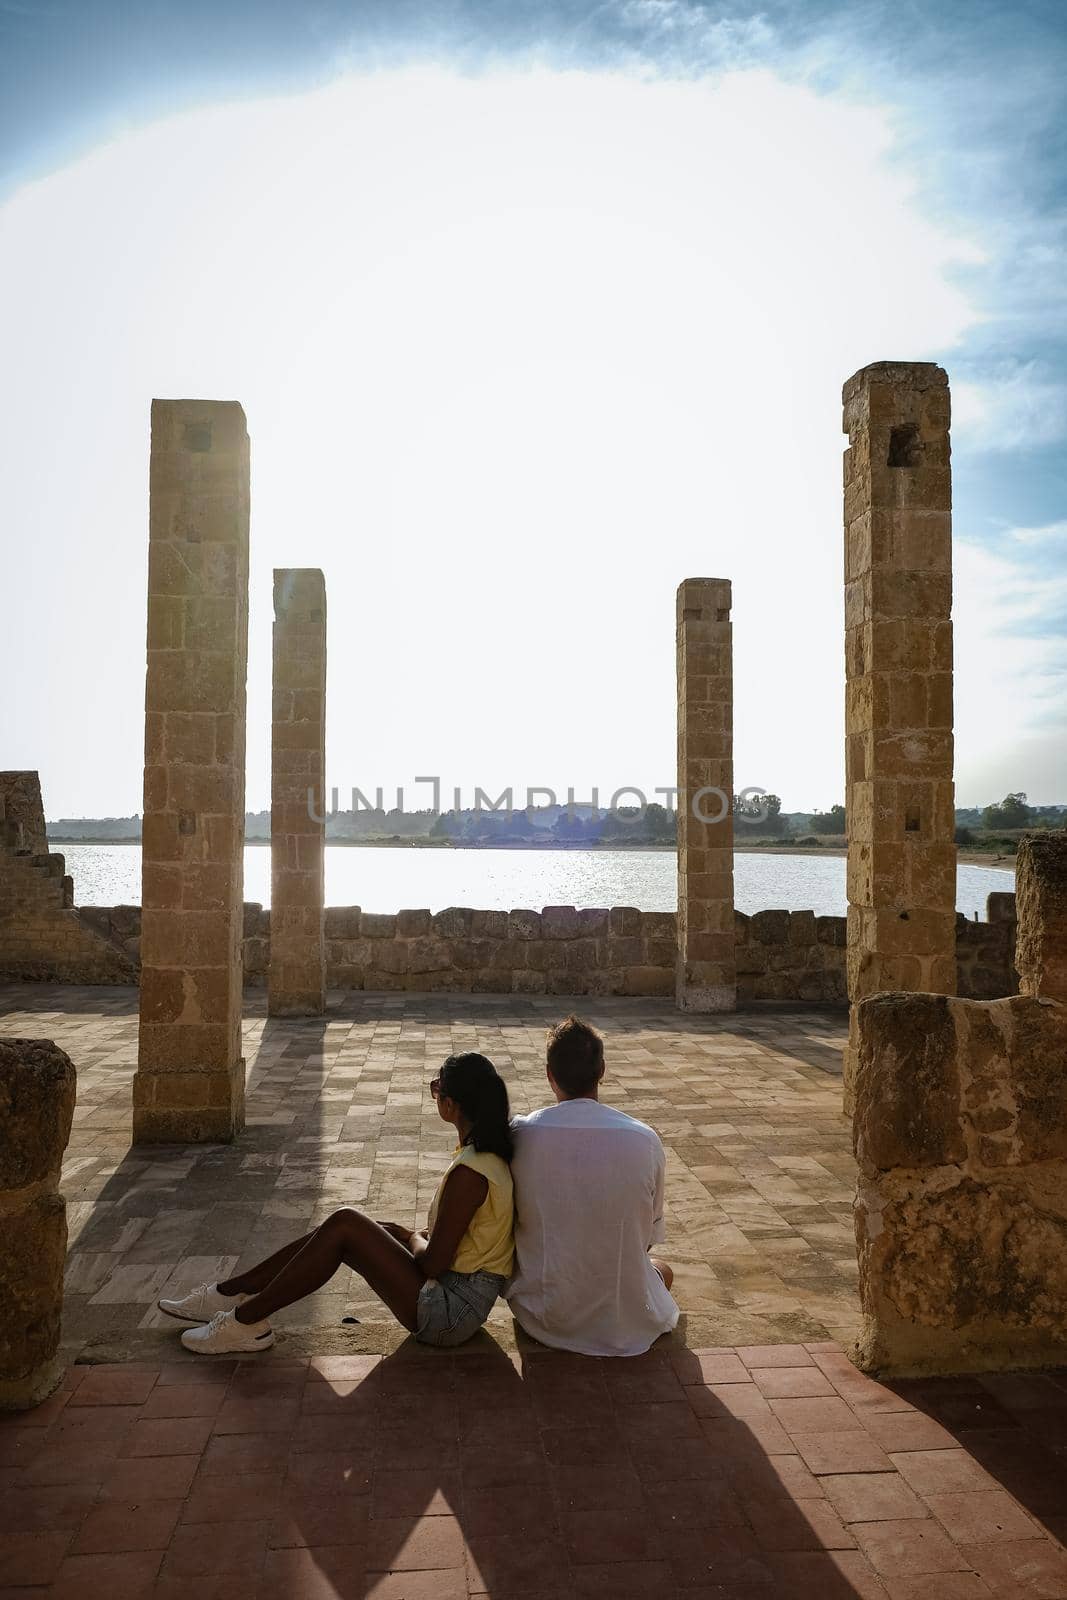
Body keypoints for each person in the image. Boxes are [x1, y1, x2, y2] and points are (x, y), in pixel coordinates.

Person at [159, 1051, 514, 1354]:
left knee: (346, 1223)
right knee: (342, 1229)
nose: (435, 1095)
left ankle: (244, 1321)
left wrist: (411, 1238)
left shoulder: (471, 1171)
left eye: (436, 1089)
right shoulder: (481, 1155)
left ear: (450, 1104)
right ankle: (231, 1293)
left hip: (451, 1314)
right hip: (455, 1295)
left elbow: (434, 1263)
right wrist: (404, 1235)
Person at [506, 1014, 678, 1357]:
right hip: (624, 1321)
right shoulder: (643, 1139)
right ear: (602, 1071)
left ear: (549, 1075)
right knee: (662, 1270)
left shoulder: (519, 1136)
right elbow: (644, 1240)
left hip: (545, 1316)